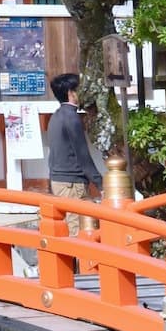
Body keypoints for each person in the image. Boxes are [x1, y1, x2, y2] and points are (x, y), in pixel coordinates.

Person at [46, 72, 106, 235]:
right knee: (78, 230)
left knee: (73, 227)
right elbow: (82, 155)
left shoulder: (56, 116)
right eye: (79, 89)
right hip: (72, 183)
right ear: (70, 93)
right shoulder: (71, 118)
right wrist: (100, 184)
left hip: (59, 180)